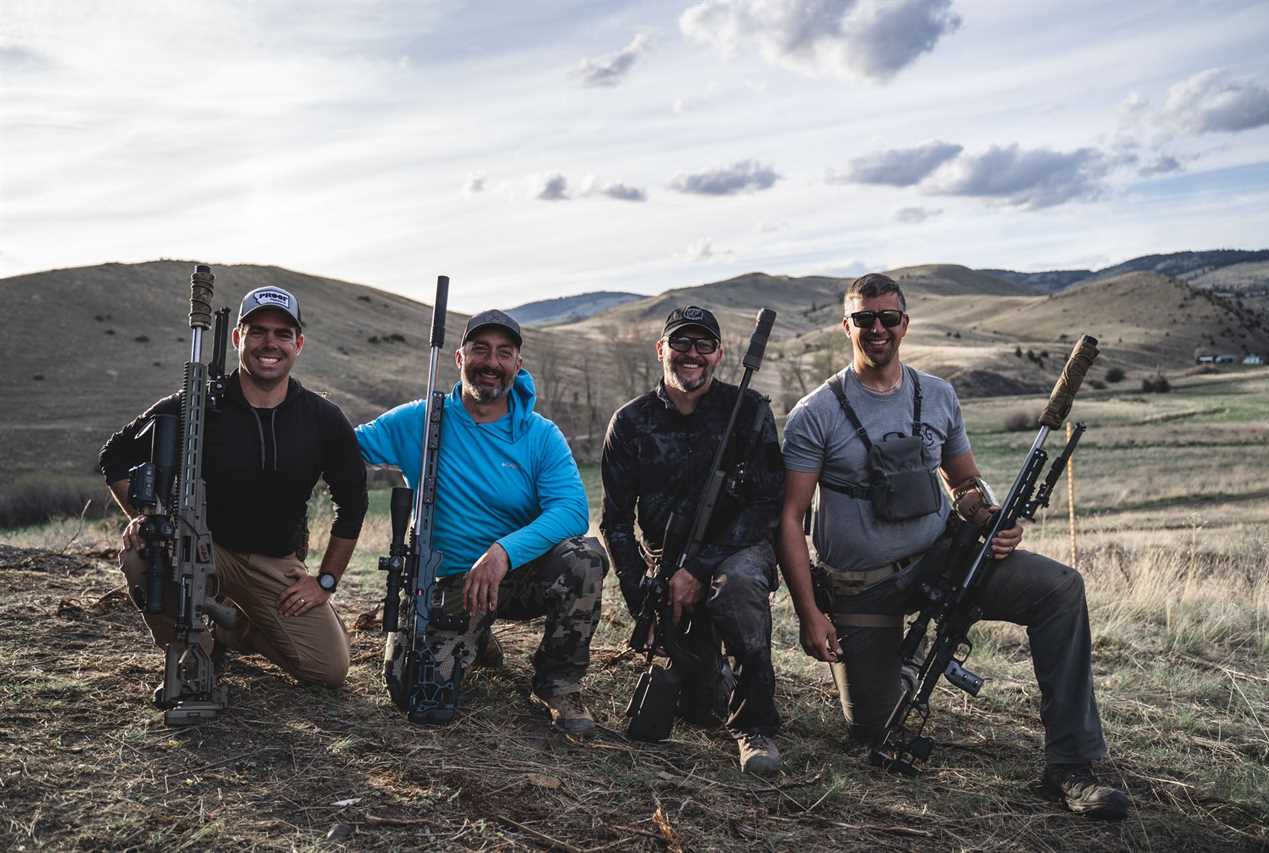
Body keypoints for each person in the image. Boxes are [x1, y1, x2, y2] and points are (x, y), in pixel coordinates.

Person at [777, 273, 1129, 819]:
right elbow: (790, 517)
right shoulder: (814, 412)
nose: (877, 329)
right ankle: (907, 661)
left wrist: (989, 517)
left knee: (1060, 589)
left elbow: (964, 484)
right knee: (872, 730)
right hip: (861, 586)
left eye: (888, 318)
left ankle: (1071, 765)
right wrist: (808, 612)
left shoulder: (937, 395)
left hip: (945, 563)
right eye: (864, 319)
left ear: (904, 325)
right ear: (846, 326)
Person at [99, 285, 368, 688]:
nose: (269, 343)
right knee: (146, 548)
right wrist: (144, 516)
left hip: (275, 561)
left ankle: (234, 629)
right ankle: (194, 650)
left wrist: (325, 581)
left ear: (299, 344)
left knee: (327, 670)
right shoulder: (196, 403)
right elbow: (114, 457)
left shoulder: (323, 418)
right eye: (257, 331)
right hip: (199, 546)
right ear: (238, 338)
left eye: (282, 334)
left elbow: (353, 504)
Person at [355, 309, 604, 734]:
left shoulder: (541, 435)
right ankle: (474, 635)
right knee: (410, 691)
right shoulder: (421, 419)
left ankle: (558, 683)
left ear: (517, 365)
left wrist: (504, 552)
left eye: (504, 353)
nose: (491, 362)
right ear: (459, 357)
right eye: (480, 350)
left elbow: (572, 512)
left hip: (516, 576)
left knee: (585, 557)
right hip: (446, 581)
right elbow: (346, 447)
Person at [600, 306, 785, 775]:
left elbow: (766, 503)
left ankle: (755, 724)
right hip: (664, 561)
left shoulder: (750, 412)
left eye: (704, 345)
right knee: (697, 707)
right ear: (662, 350)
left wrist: (698, 570)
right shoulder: (630, 422)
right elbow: (616, 521)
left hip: (737, 551)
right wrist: (643, 593)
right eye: (681, 343)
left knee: (739, 582)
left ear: (719, 354)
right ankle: (708, 673)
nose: (692, 354)